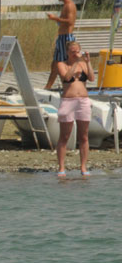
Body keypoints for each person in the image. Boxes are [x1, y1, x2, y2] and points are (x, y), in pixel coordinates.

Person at [55, 40, 94, 177]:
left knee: (83, 136)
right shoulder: (61, 64)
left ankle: (83, 167)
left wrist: (87, 62)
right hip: (68, 101)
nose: (75, 54)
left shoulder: (83, 64)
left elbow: (91, 78)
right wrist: (76, 62)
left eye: (77, 51)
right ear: (67, 52)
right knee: (64, 136)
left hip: (83, 101)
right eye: (72, 52)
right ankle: (61, 167)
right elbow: (66, 77)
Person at [44, 0, 77, 91]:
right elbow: (64, 22)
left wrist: (55, 18)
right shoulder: (65, 6)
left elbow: (70, 21)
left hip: (66, 38)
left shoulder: (69, 6)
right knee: (54, 64)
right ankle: (48, 87)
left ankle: (69, 87)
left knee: (63, 64)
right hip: (61, 38)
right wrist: (57, 20)